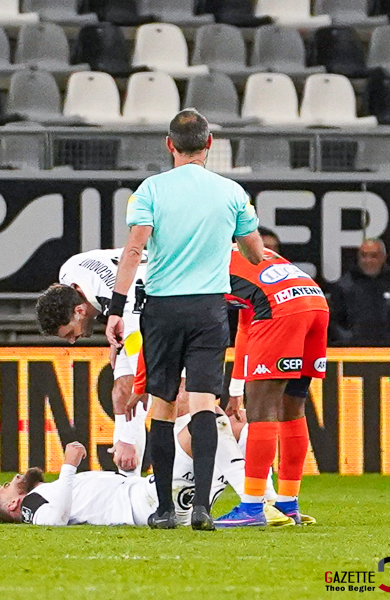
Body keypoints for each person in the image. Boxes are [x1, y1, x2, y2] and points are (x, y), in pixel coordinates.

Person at [105, 108, 264, 530]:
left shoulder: (149, 190)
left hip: (163, 308)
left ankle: (163, 510)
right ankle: (203, 510)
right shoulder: (232, 192)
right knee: (203, 405)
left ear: (169, 145)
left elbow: (134, 251)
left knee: (160, 405)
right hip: (210, 309)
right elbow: (255, 254)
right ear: (210, 144)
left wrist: (117, 310)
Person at [0, 411, 293, 527]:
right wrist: (68, 466)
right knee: (206, 422)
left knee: (235, 428)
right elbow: (55, 520)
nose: (11, 479)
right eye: (6, 487)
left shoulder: (50, 493)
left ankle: (266, 503)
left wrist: (126, 469)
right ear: (13, 504)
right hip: (150, 503)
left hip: (150, 498)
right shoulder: (33, 503)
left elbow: (104, 499)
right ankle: (261, 501)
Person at [215, 243, 328, 527]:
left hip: (280, 308)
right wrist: (235, 388)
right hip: (315, 302)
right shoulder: (246, 250)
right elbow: (244, 327)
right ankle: (288, 504)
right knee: (293, 407)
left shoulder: (201, 258)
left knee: (261, 409)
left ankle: (252, 507)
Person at [35, 248, 149, 476]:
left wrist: (126, 440)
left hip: (195, 291)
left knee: (182, 402)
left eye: (69, 332)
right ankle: (126, 487)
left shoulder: (125, 308)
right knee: (121, 392)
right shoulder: (68, 272)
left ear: (79, 310)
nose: (71, 341)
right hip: (153, 306)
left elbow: (145, 381)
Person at [329, 239, 390, 344]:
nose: (368, 260)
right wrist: (347, 340)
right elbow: (331, 320)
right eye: (364, 255)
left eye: (373, 256)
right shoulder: (344, 285)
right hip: (354, 353)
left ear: (383, 257)